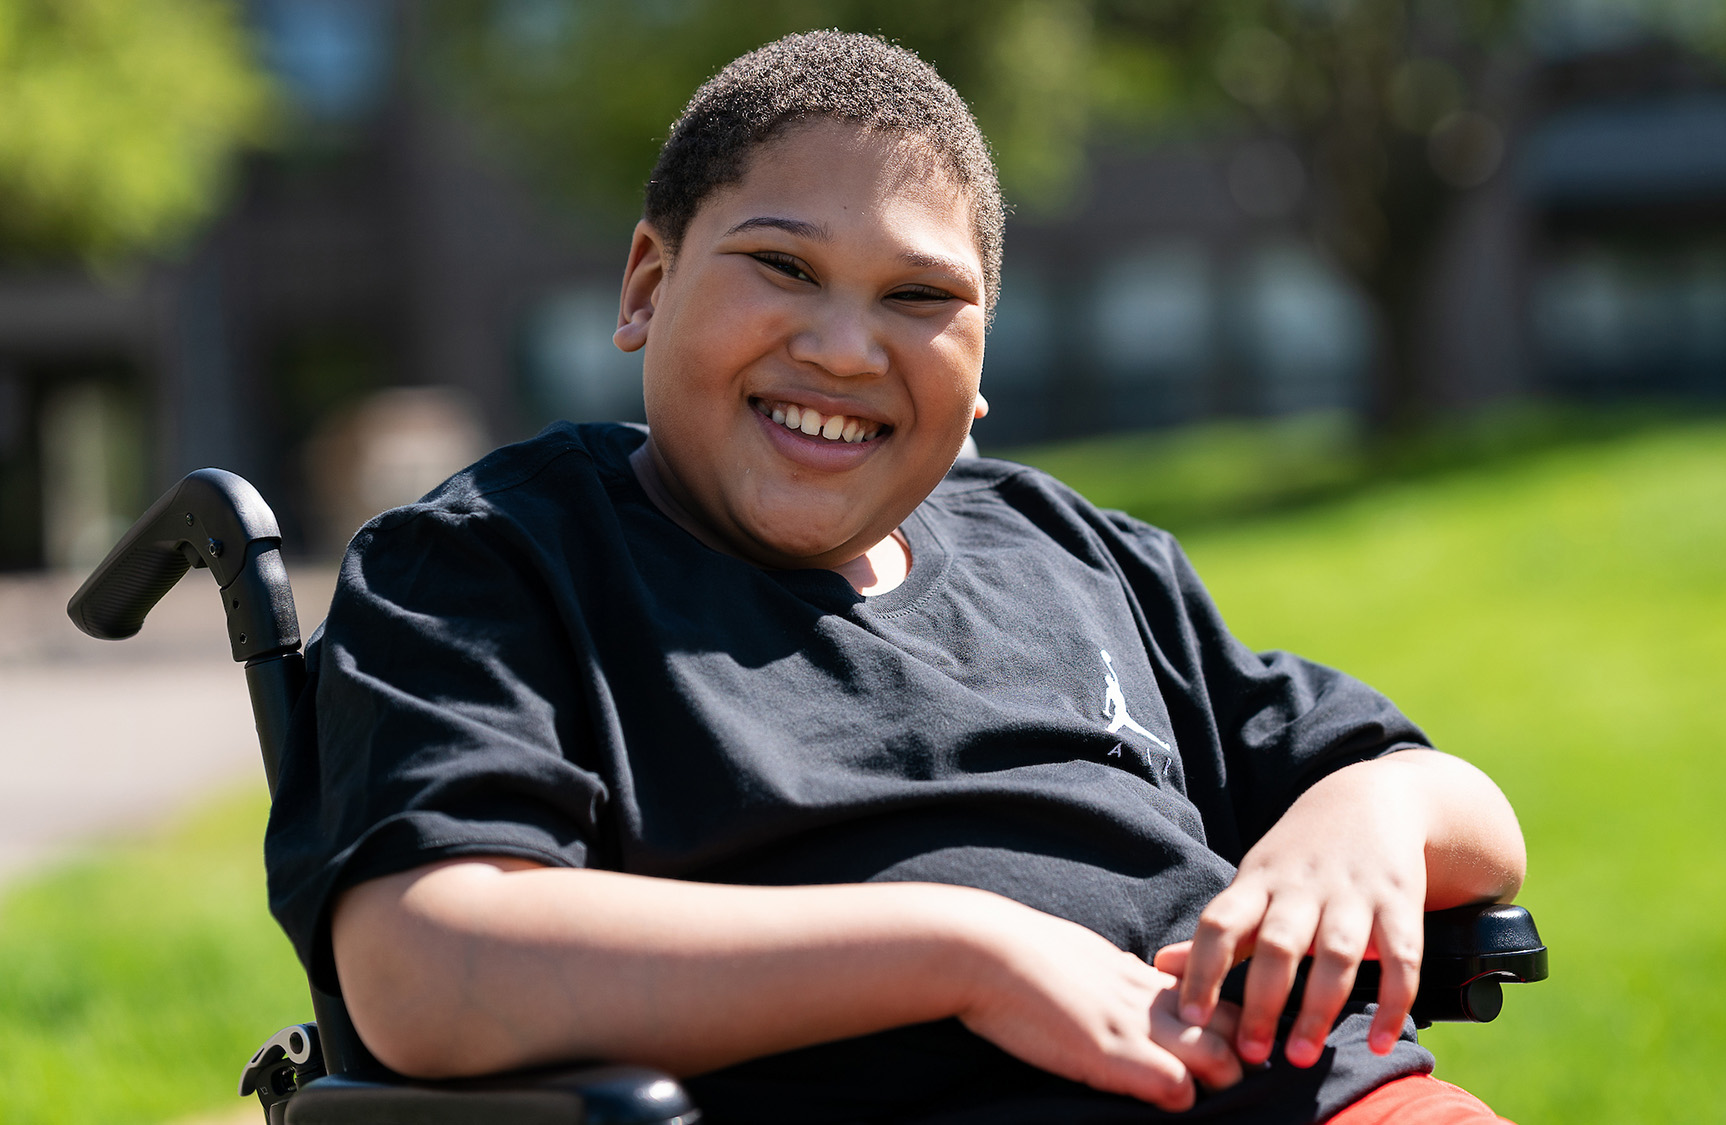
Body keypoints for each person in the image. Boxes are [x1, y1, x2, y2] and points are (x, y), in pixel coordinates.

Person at [266, 31, 1527, 1125]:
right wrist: (962, 950)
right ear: (647, 284)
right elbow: (426, 973)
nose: (843, 347)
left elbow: (1471, 820)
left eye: (920, 295)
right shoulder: (495, 563)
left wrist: (1367, 819)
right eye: (783, 267)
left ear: (979, 368)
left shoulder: (1070, 552)